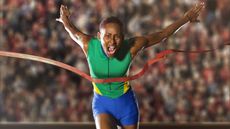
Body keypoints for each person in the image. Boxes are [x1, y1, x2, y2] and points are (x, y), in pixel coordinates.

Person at [56, 2, 205, 129]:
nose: (112, 42)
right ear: (99, 36)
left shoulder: (132, 47)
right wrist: (65, 20)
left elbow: (162, 35)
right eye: (107, 36)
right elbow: (72, 31)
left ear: (123, 37)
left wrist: (186, 18)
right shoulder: (89, 45)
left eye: (117, 36)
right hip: (102, 104)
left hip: (126, 105)